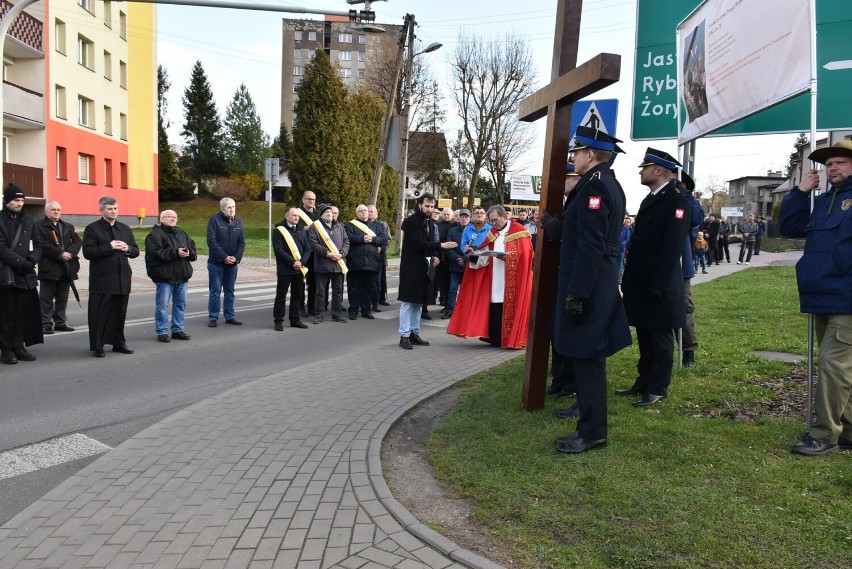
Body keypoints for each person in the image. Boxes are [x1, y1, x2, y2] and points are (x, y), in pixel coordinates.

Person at [551, 127, 631, 453]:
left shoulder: (594, 188)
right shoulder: (603, 183)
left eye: (576, 152)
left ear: (589, 155)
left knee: (588, 361)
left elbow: (590, 246)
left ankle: (592, 432)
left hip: (590, 286)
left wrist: (577, 292)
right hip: (595, 283)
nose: (573, 158)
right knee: (587, 358)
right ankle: (588, 423)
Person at [779, 140, 852, 456]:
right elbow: (790, 227)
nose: (832, 167)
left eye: (841, 162)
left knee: (832, 365)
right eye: (829, 163)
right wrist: (800, 192)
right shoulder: (822, 201)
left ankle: (824, 434)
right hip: (822, 294)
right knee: (842, 368)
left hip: (847, 296)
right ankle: (847, 431)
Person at [619, 148, 690, 407]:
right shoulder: (653, 197)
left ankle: (658, 387)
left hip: (659, 283)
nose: (640, 171)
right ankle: (644, 381)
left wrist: (658, 284)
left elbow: (671, 246)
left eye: (645, 167)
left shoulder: (676, 200)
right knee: (645, 335)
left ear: (658, 171)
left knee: (660, 338)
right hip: (643, 280)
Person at [447, 205, 534, 349]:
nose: (493, 224)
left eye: (495, 220)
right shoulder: (492, 233)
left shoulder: (520, 232)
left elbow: (526, 257)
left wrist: (509, 259)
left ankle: (511, 339)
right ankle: (495, 339)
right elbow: (484, 257)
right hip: (494, 279)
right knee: (495, 307)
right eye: (491, 221)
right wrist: (474, 254)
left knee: (509, 305)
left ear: (504, 217)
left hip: (512, 280)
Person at [397, 193, 457, 349]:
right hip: (411, 267)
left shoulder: (430, 222)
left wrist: (436, 256)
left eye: (432, 206)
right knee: (408, 302)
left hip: (425, 267)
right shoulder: (410, 222)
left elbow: (430, 243)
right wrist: (441, 246)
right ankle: (404, 336)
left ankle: (414, 333)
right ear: (420, 205)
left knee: (419, 302)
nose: (429, 209)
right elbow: (419, 244)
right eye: (427, 206)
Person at [83, 196, 139, 357]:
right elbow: (88, 253)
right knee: (100, 314)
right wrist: (110, 246)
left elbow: (135, 251)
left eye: (115, 208)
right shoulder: (92, 229)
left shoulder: (125, 228)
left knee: (119, 314)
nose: (113, 211)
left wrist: (127, 247)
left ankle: (119, 343)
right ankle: (98, 345)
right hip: (103, 279)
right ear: (101, 210)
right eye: (109, 209)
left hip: (122, 278)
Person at [0, 184, 43, 364]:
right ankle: (7, 349)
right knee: (6, 313)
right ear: (6, 200)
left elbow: (38, 244)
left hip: (26, 274)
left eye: (22, 200)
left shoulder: (28, 220)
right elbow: (0, 248)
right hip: (7, 273)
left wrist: (32, 260)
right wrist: (21, 263)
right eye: (16, 200)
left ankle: (19, 345)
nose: (20, 203)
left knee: (22, 312)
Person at [144, 210, 197, 342]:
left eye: (175, 217)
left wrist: (189, 253)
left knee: (181, 304)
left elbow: (193, 250)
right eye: (169, 216)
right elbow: (155, 253)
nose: (172, 219)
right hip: (164, 277)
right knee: (162, 306)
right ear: (161, 219)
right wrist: (175, 252)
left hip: (182, 275)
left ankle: (178, 330)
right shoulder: (155, 234)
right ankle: (162, 331)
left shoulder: (182, 233)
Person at [37, 200, 81, 334]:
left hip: (66, 267)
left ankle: (60, 322)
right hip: (49, 266)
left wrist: (70, 254)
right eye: (53, 210)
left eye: (58, 210)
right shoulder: (38, 226)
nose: (56, 212)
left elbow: (78, 242)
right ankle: (45, 324)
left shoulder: (68, 226)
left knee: (62, 297)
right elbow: (41, 244)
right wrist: (59, 253)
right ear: (46, 211)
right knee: (46, 298)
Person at [207, 197, 245, 327]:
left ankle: (229, 316)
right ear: (222, 209)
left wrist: (236, 257)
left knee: (230, 291)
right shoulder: (214, 221)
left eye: (233, 207)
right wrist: (224, 257)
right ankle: (213, 317)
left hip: (232, 264)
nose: (232, 210)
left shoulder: (238, 222)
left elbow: (241, 243)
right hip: (216, 263)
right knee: (215, 291)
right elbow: (212, 242)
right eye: (229, 207)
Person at [345, 204, 386, 320]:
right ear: (356, 213)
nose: (364, 212)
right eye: (361, 211)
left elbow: (383, 239)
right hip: (355, 262)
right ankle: (353, 310)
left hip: (372, 263)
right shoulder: (350, 226)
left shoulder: (376, 227)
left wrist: (372, 239)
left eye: (365, 211)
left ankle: (366, 310)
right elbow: (347, 237)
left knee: (368, 288)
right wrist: (361, 239)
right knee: (354, 287)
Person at [309, 203, 349, 323]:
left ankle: (336, 314)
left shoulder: (340, 226)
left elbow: (346, 241)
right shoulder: (315, 227)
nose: (329, 214)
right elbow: (313, 244)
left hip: (338, 264)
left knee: (338, 291)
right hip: (322, 264)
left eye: (331, 212)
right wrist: (327, 253)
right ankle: (319, 314)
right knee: (320, 292)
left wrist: (342, 253)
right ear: (321, 215)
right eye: (326, 212)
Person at [272, 206, 311, 331]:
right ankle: (278, 320)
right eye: (294, 215)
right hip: (285, 268)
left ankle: (295, 319)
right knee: (281, 296)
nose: (296, 218)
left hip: (299, 269)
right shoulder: (279, 230)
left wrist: (301, 262)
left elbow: (308, 248)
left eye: (298, 216)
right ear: (286, 216)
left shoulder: (301, 229)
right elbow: (279, 250)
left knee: (297, 295)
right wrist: (293, 262)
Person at [444, 209, 470, 320]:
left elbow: (475, 248)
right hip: (455, 265)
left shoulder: (472, 231)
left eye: (466, 217)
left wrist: (465, 259)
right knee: (452, 289)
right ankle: (450, 310)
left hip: (468, 265)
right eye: (462, 217)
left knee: (467, 290)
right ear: (458, 218)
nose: (464, 219)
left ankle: (465, 311)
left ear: (469, 218)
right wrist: (457, 258)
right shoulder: (452, 231)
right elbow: (449, 248)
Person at [295, 191, 318, 315]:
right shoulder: (297, 214)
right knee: (300, 282)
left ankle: (312, 307)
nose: (311, 201)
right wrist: (304, 229)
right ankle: (300, 306)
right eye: (309, 199)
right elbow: (291, 229)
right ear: (303, 200)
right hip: (301, 252)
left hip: (314, 253)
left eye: (313, 199)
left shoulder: (318, 215)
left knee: (313, 282)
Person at [367, 205, 390, 310]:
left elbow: (387, 239)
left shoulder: (382, 225)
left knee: (379, 281)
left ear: (376, 214)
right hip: (366, 256)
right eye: (368, 211)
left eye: (372, 212)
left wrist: (379, 247)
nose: (370, 213)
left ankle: (379, 300)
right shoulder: (362, 224)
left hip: (379, 256)